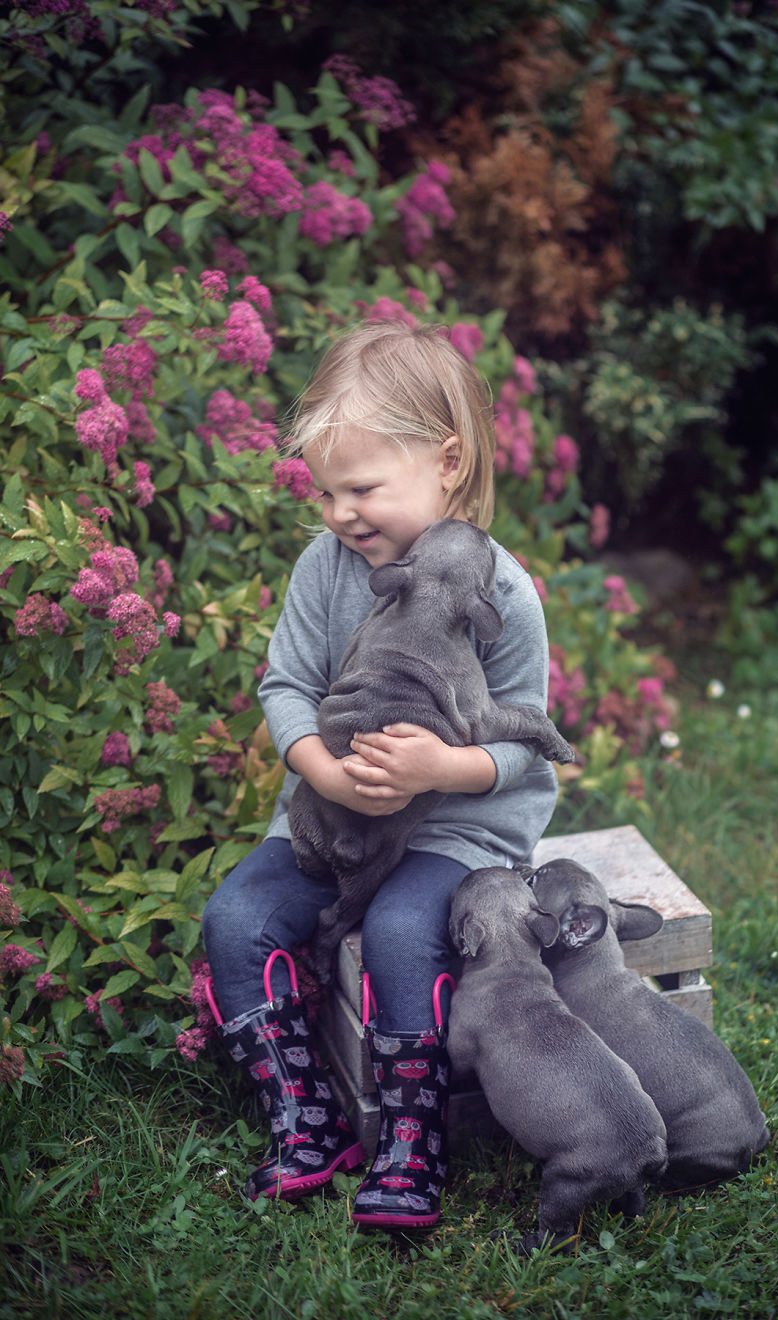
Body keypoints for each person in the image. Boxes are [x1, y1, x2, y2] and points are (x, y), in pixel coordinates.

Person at [202, 320, 562, 1229]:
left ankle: (412, 1136)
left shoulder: (500, 592)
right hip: (336, 816)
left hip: (456, 828)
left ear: (447, 462)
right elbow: (286, 685)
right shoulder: (324, 570)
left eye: (362, 489)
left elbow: (521, 741)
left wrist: (442, 767)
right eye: (325, 492)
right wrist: (322, 771)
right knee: (236, 917)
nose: (339, 514)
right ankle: (306, 1118)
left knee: (403, 932)